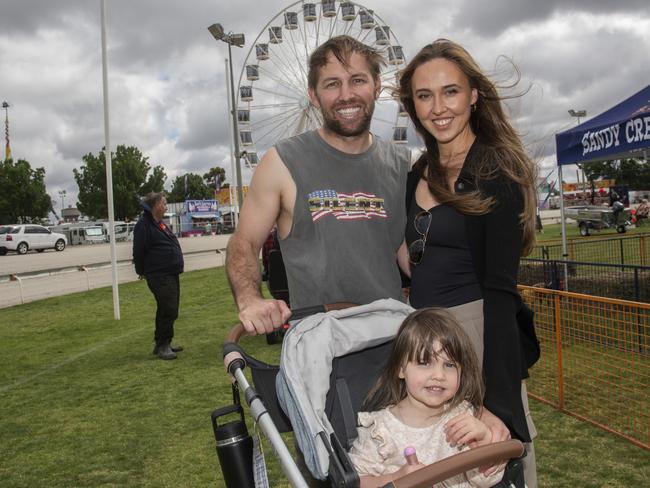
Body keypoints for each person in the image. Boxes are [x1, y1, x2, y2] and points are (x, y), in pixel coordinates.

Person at [397, 39, 539, 487]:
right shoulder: (418, 172)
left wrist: (496, 402)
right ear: (412, 105)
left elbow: (500, 292)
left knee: (489, 466)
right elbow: (417, 254)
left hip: (478, 337)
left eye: (450, 92)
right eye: (424, 95)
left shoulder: (497, 172)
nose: (438, 107)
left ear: (474, 95)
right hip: (425, 337)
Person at [226, 35, 410, 336]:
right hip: (319, 345)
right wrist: (250, 299)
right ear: (313, 94)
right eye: (332, 84)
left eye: (358, 80)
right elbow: (244, 243)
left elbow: (412, 255)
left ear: (377, 86)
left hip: (392, 341)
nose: (346, 94)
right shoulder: (282, 162)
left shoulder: (402, 164)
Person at [349, 308, 504, 488]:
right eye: (424, 363)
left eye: (449, 364)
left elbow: (485, 482)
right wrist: (396, 479)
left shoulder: (464, 417)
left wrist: (484, 442)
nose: (438, 375)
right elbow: (356, 483)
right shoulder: (380, 431)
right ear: (401, 368)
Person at [133, 192, 184, 360]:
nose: (166, 206)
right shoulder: (144, 225)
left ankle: (162, 342)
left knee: (166, 309)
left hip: (169, 272)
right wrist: (141, 271)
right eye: (164, 203)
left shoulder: (159, 223)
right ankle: (163, 346)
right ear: (155, 206)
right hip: (159, 274)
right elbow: (139, 251)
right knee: (169, 309)